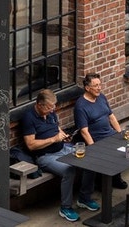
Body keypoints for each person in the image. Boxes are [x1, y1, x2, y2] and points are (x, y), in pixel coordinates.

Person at [20, 89, 82, 221]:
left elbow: (56, 128)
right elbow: (31, 145)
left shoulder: (50, 113)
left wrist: (63, 135)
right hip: (45, 156)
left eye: (53, 106)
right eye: (49, 107)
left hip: (63, 148)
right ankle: (65, 208)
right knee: (69, 170)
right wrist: (54, 139)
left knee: (87, 158)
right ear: (39, 105)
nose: (52, 110)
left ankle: (85, 198)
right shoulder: (29, 118)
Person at [73, 73, 126, 208]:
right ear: (87, 88)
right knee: (92, 164)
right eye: (95, 86)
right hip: (97, 140)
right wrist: (94, 148)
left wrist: (120, 134)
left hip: (110, 135)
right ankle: (85, 197)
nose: (99, 88)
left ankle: (115, 178)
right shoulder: (80, 106)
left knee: (124, 150)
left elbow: (111, 117)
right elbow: (84, 131)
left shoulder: (101, 97)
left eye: (100, 85)